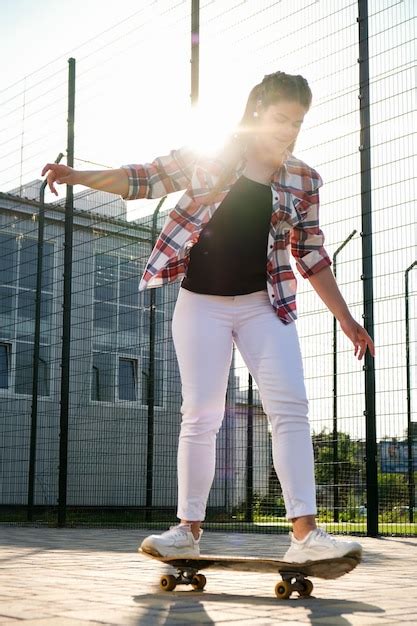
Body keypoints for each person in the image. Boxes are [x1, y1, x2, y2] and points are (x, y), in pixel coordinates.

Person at [42, 71, 374, 563]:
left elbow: (311, 254)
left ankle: (306, 535)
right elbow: (145, 178)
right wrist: (78, 177)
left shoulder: (304, 180)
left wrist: (346, 319)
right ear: (259, 112)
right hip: (202, 304)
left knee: (291, 408)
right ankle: (186, 531)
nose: (289, 131)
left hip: (266, 304)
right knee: (201, 414)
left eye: (298, 123)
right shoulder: (212, 156)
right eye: (281, 119)